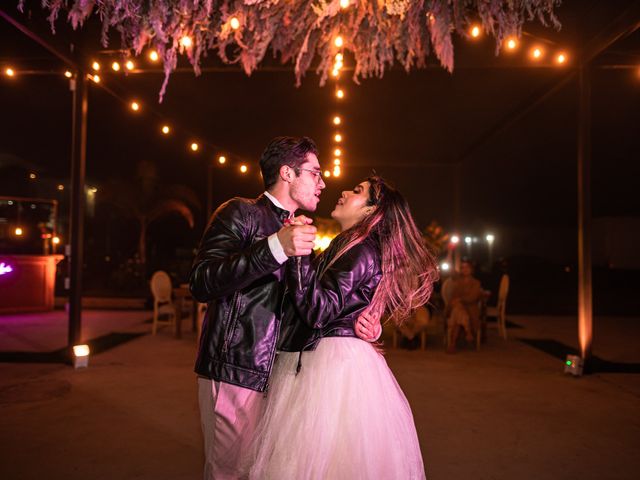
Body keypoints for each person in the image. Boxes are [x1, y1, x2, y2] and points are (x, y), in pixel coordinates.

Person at [189, 136, 378, 479]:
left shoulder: (303, 233)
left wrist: (360, 322)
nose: (323, 183)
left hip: (284, 378)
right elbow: (202, 282)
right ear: (288, 173)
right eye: (315, 173)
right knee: (229, 472)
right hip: (238, 368)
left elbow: (313, 306)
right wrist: (274, 248)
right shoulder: (240, 212)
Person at [249, 175, 439, 480]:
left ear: (370, 212)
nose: (345, 192)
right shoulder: (348, 245)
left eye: (358, 191)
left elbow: (318, 310)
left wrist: (299, 256)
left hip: (331, 363)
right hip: (329, 353)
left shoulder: (360, 250)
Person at [444, 258, 484, 353]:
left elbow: (472, 297)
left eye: (467, 267)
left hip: (469, 308)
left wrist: (460, 299)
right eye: (462, 267)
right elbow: (451, 271)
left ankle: (452, 344)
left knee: (458, 313)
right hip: (456, 307)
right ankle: (468, 331)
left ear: (471, 269)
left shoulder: (476, 283)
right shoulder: (458, 280)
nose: (464, 269)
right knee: (458, 310)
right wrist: (449, 255)